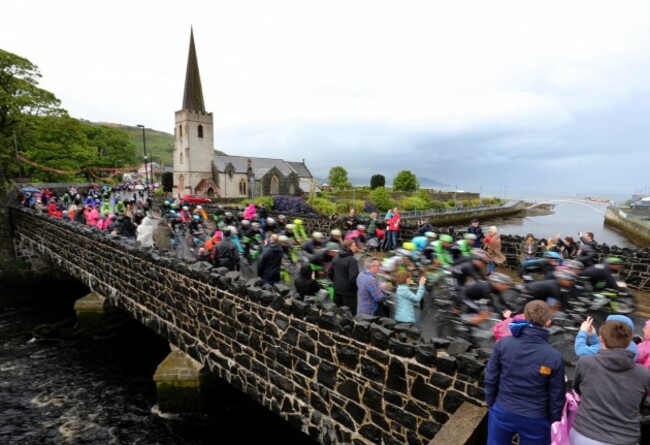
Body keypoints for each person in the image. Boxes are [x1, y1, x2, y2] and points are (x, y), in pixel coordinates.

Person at [485, 300, 565, 445]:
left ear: (523, 316)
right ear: (548, 322)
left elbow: (491, 376)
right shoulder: (554, 357)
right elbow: (556, 395)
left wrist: (491, 403)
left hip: (502, 410)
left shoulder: (504, 344)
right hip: (536, 418)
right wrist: (554, 421)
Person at [570, 319, 650, 445]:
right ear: (629, 341)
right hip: (625, 438)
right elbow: (640, 403)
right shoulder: (643, 374)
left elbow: (577, 390)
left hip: (584, 433)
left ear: (601, 339)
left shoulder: (586, 362)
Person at [574, 314, 638, 359]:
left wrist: (583, 331)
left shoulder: (604, 350)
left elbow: (580, 350)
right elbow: (601, 345)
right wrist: (592, 335)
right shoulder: (633, 347)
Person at [328, 239, 359, 312]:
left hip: (337, 290)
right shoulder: (352, 260)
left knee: (338, 313)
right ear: (349, 247)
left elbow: (330, 273)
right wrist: (355, 288)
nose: (355, 247)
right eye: (354, 245)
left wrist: (336, 282)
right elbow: (353, 278)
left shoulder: (335, 257)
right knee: (350, 314)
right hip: (348, 293)